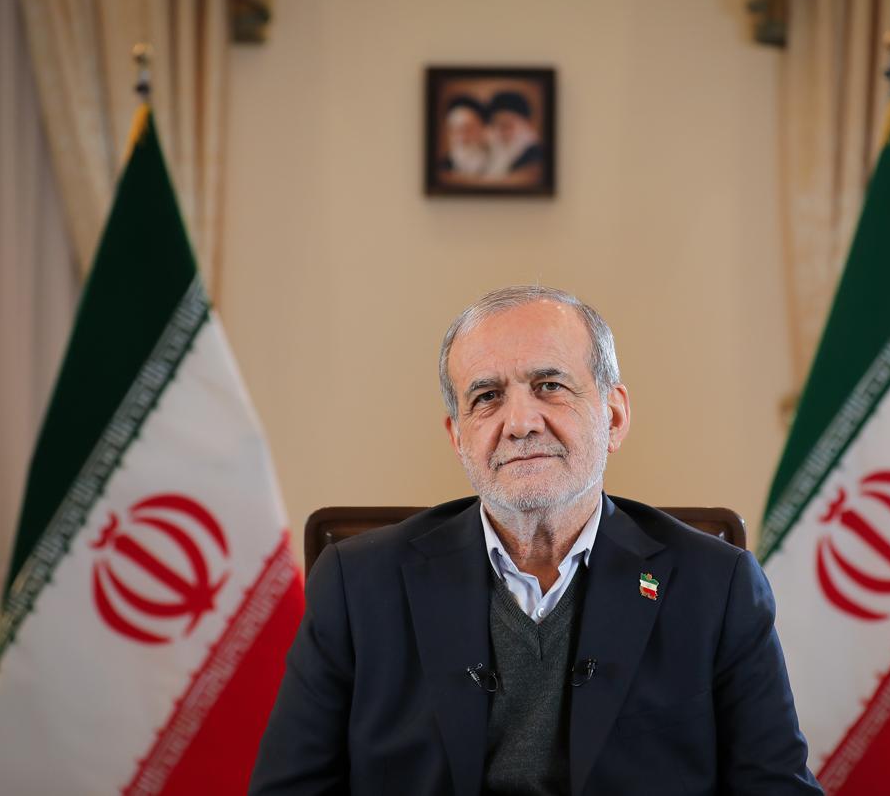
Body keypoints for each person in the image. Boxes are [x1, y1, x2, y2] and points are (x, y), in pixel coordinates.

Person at [250, 285, 822, 795]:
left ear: (614, 416)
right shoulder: (356, 585)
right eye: (486, 397)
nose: (520, 423)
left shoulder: (716, 586)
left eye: (550, 386)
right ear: (458, 437)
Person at [484, 91, 544, 179]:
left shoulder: (535, 156)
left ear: (525, 125)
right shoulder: (490, 151)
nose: (502, 130)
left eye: (508, 124)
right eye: (497, 123)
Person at [438, 94, 490, 179]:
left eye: (468, 129)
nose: (461, 137)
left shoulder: (497, 167)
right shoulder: (441, 168)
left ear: (483, 130)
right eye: (454, 129)